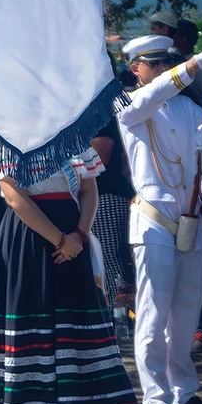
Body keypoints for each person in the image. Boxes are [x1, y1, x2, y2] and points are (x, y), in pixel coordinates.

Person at [0, 150, 141, 404]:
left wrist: (78, 236)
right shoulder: (4, 140)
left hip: (72, 233)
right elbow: (14, 196)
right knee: (32, 316)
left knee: (74, 315)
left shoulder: (73, 135)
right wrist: (60, 240)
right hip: (28, 235)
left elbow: (90, 188)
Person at [117, 34, 202, 404]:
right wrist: (195, 65)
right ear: (136, 69)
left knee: (185, 313)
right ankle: (156, 397)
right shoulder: (130, 104)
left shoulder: (190, 107)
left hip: (191, 217)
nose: (164, 67)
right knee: (153, 311)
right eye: (155, 62)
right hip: (153, 217)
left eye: (168, 61)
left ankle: (184, 392)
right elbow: (157, 94)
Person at [90, 117, 136, 307]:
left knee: (111, 258)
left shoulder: (99, 115)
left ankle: (121, 315)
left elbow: (101, 157)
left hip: (108, 195)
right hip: (94, 196)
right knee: (101, 261)